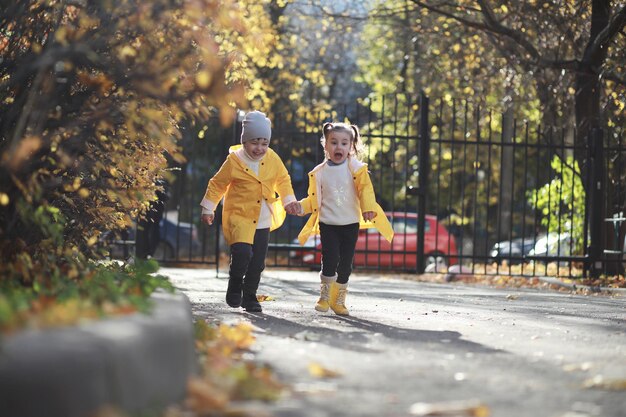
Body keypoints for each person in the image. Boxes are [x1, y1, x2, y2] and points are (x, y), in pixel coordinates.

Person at [200, 111, 300, 312]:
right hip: (239, 215)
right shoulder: (234, 161)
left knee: (257, 262)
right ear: (244, 141)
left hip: (262, 218)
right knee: (242, 253)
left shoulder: (272, 158)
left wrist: (289, 201)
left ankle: (250, 296)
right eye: (255, 142)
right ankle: (235, 282)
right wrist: (208, 208)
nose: (260, 148)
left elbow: (283, 179)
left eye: (264, 143)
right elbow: (217, 184)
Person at [295, 122, 394, 316]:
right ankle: (324, 295)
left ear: (351, 146)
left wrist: (367, 208)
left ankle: (338, 299)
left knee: (346, 263)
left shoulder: (356, 169)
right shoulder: (319, 172)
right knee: (330, 259)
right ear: (325, 145)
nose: (338, 147)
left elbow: (365, 189)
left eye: (343, 143)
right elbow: (314, 199)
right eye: (333, 142)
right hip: (328, 223)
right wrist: (300, 207)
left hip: (350, 223)